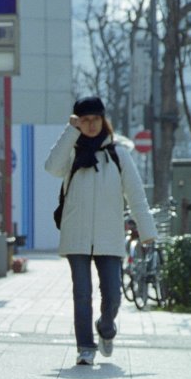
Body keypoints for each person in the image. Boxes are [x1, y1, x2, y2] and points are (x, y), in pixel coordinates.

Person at [45, 96, 157, 365]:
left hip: (109, 236)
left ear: (104, 120)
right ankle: (85, 346)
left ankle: (106, 328)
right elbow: (51, 168)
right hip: (76, 235)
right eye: (85, 120)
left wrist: (147, 232)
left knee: (114, 295)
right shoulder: (71, 151)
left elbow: (136, 196)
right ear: (77, 121)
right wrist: (70, 132)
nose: (91, 125)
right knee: (81, 293)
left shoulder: (118, 154)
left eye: (95, 119)